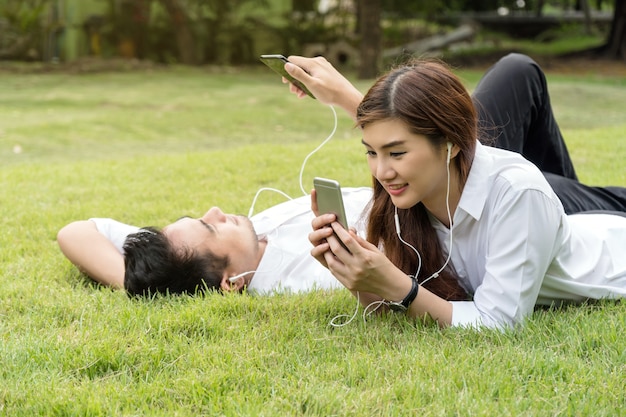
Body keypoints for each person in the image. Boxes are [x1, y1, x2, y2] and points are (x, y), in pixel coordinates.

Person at [282, 53, 626, 329]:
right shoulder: (409, 196)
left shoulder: (517, 193)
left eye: (396, 153)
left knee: (516, 71)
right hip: (565, 224)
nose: (382, 172)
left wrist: (401, 288)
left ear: (451, 144)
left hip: (613, 248)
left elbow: (499, 323)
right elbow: (394, 306)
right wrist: (355, 274)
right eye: (371, 152)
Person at [57, 187, 373, 296]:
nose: (217, 211)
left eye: (200, 219)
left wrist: (136, 283)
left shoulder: (176, 255)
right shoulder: (308, 278)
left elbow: (75, 233)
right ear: (230, 282)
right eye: (211, 228)